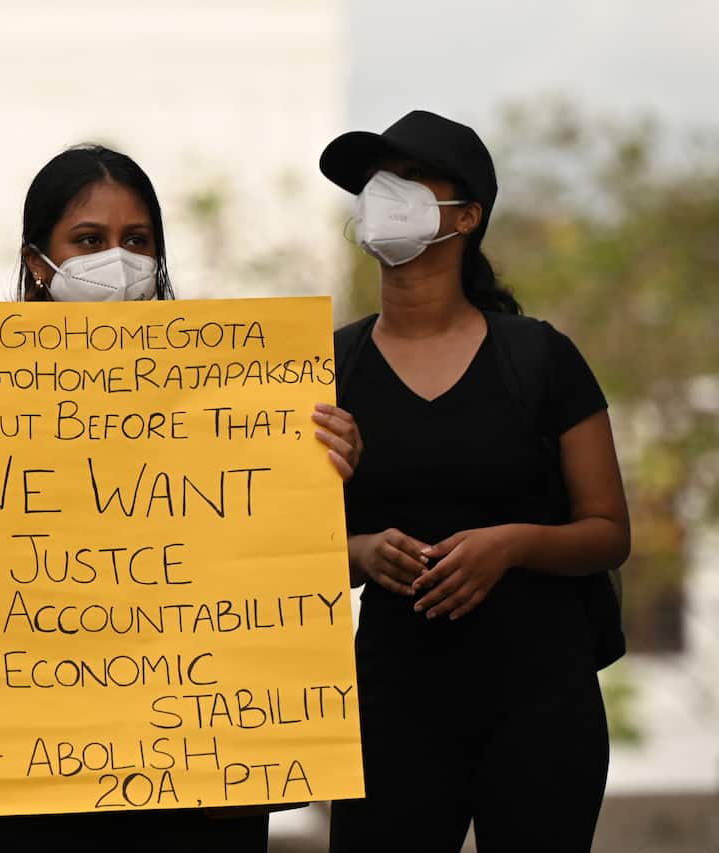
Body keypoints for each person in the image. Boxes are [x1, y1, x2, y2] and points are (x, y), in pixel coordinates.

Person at [0, 144, 364, 852]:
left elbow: (290, 571)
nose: (119, 259)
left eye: (137, 241)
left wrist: (322, 471)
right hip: (29, 780)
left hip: (199, 771)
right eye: (89, 240)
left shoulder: (238, 398)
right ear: (37, 263)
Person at [319, 110, 631, 853]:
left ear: (467, 215)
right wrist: (361, 553)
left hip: (540, 706)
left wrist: (513, 545)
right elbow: (280, 548)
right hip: (392, 706)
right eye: (374, 183)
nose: (383, 195)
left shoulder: (540, 358)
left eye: (408, 178)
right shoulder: (327, 367)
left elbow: (609, 531)